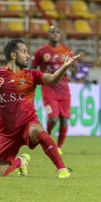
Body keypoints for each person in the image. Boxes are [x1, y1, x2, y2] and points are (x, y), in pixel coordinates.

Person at [0, 39, 79, 178]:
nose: (28, 55)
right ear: (13, 55)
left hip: (28, 124)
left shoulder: (31, 75)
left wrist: (65, 66)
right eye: (24, 52)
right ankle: (21, 161)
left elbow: (53, 78)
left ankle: (62, 170)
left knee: (37, 131)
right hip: (8, 134)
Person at [31, 25, 73, 154]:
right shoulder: (42, 51)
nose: (55, 34)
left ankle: (58, 147)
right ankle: (47, 139)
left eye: (57, 32)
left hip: (64, 91)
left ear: (60, 35)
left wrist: (70, 68)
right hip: (49, 90)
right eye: (52, 32)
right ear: (48, 35)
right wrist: (40, 76)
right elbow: (32, 67)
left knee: (64, 120)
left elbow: (74, 69)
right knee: (53, 118)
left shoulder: (67, 51)